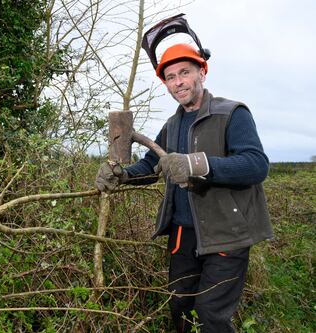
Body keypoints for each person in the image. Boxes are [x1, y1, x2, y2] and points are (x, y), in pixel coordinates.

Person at [95, 43, 273, 333]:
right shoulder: (172, 125)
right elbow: (151, 166)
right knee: (180, 306)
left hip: (226, 234)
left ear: (202, 72)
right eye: (170, 77)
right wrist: (122, 176)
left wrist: (198, 165)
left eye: (184, 73)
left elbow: (256, 165)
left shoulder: (232, 113)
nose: (178, 82)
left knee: (210, 314)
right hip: (183, 235)